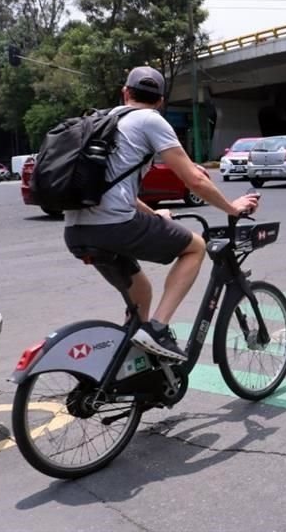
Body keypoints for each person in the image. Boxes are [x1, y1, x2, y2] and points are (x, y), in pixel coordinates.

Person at [64, 66, 259, 360]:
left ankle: (123, 368)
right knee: (195, 247)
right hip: (115, 226)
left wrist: (154, 215)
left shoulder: (101, 121)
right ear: (160, 101)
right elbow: (193, 181)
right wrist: (233, 207)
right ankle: (158, 330)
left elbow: (114, 193)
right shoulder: (151, 120)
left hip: (76, 230)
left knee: (140, 293)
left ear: (125, 93)